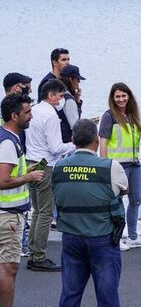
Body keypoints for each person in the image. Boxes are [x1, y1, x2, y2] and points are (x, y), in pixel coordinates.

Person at [52, 119, 128, 307]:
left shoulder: (59, 167)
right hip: (102, 236)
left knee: (70, 294)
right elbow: (124, 190)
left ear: (73, 139)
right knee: (107, 297)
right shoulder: (111, 166)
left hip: (71, 236)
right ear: (96, 139)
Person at [25, 79, 75, 272]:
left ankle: (32, 252)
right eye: (61, 96)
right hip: (45, 164)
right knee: (46, 212)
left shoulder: (34, 110)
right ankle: (39, 256)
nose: (62, 100)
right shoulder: (51, 115)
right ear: (51, 95)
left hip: (31, 163)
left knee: (37, 211)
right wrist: (73, 145)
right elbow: (55, 148)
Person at [0, 94, 44, 307]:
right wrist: (29, 177)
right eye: (26, 112)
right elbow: (2, 180)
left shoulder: (6, 137)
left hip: (7, 213)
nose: (31, 116)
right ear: (13, 115)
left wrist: (25, 170)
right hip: (8, 215)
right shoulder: (8, 142)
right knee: (9, 269)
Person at [99, 83, 141, 251]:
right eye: (117, 96)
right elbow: (103, 142)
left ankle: (133, 236)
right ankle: (116, 237)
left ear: (129, 96)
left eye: (123, 96)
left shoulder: (132, 115)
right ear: (113, 98)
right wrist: (104, 165)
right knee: (116, 202)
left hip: (134, 163)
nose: (121, 99)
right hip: (117, 165)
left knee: (136, 200)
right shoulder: (109, 116)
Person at [58, 64, 85, 144]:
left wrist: (77, 101)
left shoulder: (59, 95)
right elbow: (75, 126)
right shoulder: (69, 100)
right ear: (71, 79)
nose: (79, 82)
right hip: (67, 142)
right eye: (77, 79)